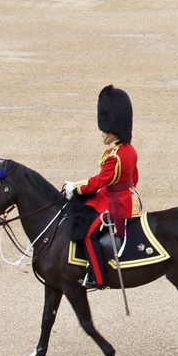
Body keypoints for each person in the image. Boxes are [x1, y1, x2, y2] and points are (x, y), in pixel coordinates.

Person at [64, 86, 142, 291]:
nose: (102, 134)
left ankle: (97, 277)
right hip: (128, 196)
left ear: (112, 129)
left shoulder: (115, 155)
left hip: (118, 203)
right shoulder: (129, 150)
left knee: (90, 234)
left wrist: (75, 187)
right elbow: (134, 178)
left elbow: (100, 181)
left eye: (104, 130)